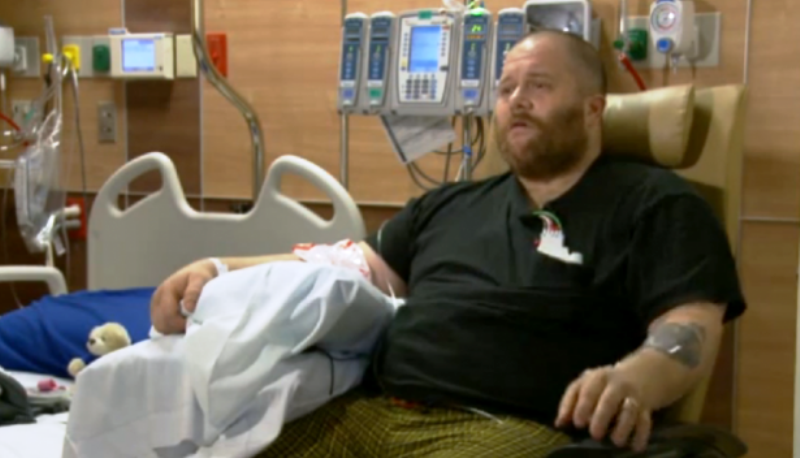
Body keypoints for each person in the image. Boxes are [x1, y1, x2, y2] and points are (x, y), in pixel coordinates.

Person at [150, 30, 746, 457]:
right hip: (370, 413)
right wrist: (219, 269)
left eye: (539, 85)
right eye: (507, 88)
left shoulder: (656, 205)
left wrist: (635, 378)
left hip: (505, 430)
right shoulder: (450, 204)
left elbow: (688, 328)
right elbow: (350, 267)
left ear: (594, 110)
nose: (517, 99)